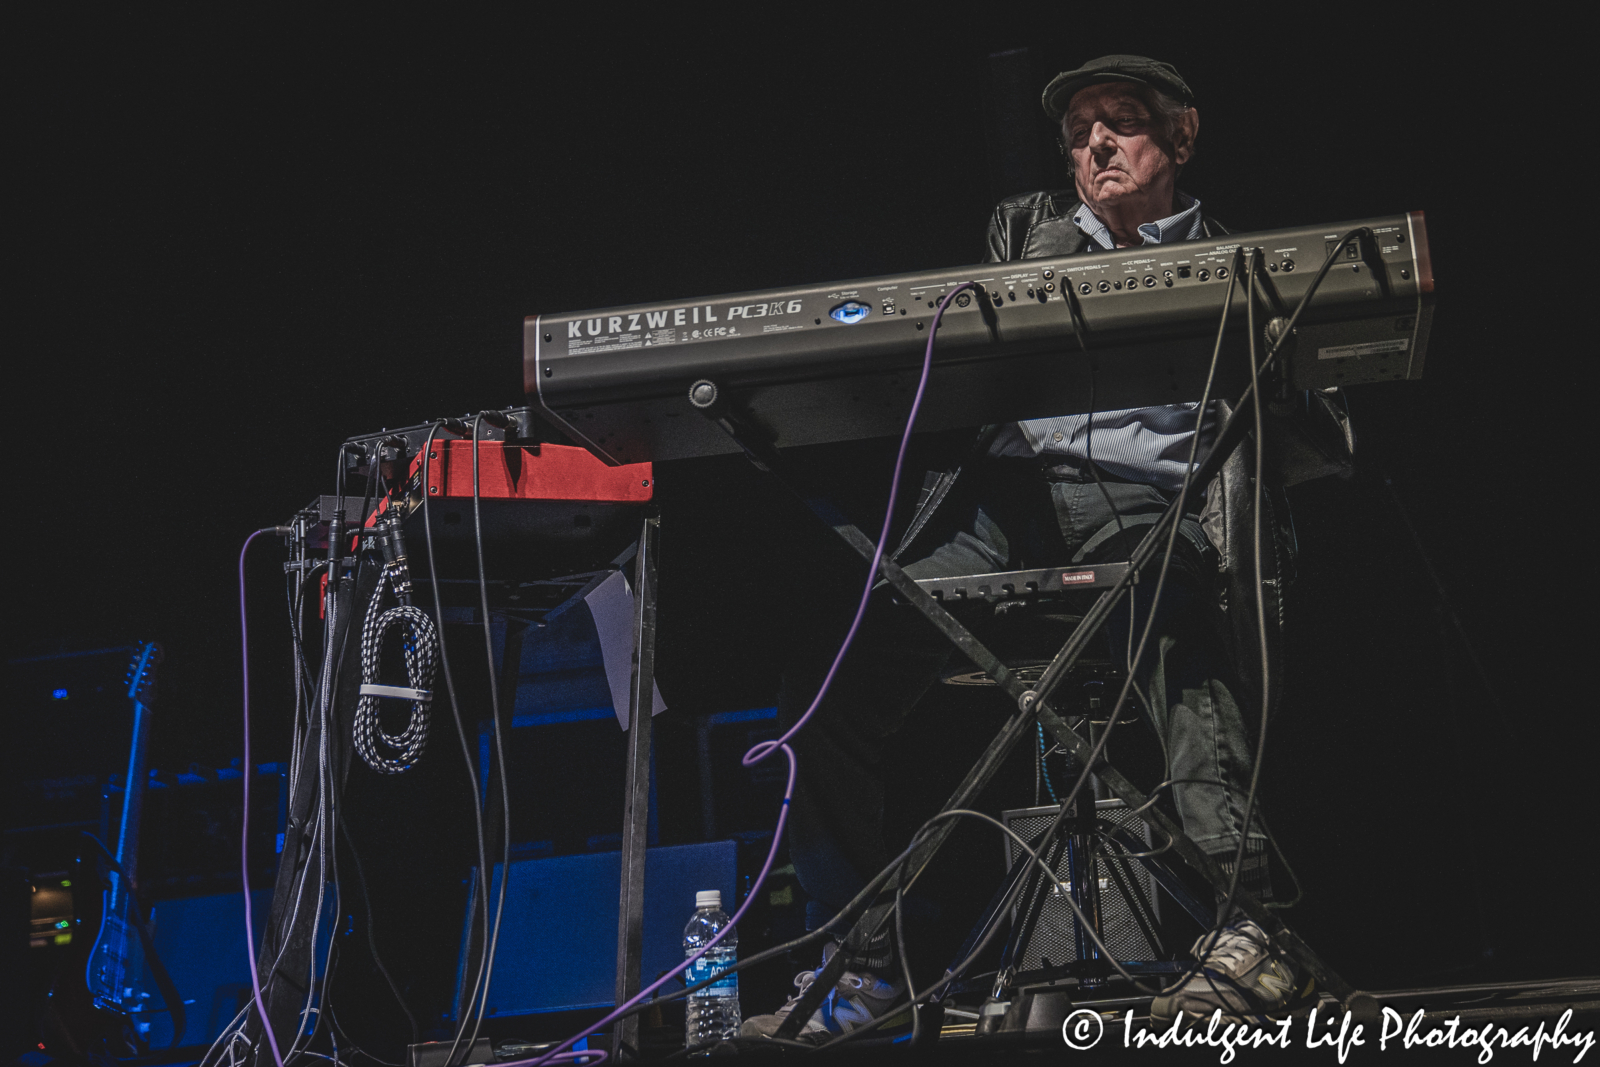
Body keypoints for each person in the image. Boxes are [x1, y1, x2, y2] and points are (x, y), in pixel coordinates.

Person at [742, 54, 1325, 1040]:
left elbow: (1307, 412)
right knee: (829, 685)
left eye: (1121, 121)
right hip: (1006, 504)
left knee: (1172, 606)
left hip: (1142, 498)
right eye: (1078, 129)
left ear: (1178, 140)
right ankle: (869, 968)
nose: (1093, 142)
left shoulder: (1234, 253)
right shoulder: (1028, 229)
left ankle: (1244, 930)